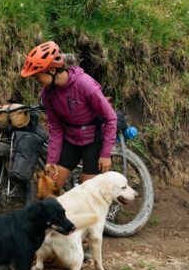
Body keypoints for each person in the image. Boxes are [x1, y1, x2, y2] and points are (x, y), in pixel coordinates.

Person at [20, 41, 117, 190]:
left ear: (52, 70)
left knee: (87, 193)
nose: (36, 80)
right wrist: (51, 161)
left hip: (94, 138)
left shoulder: (85, 85)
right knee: (48, 189)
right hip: (71, 139)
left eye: (37, 76)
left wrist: (105, 154)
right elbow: (56, 128)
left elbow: (111, 118)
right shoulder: (47, 93)